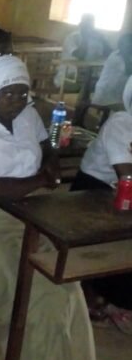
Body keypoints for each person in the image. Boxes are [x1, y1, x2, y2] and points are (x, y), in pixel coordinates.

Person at [0, 55, 96, 360]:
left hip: (31, 216)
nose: (17, 101)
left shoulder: (28, 118)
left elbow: (46, 146)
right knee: (24, 293)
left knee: (66, 284)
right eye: (9, 94)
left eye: (23, 93)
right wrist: (41, 180)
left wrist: (50, 163)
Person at [70, 75, 132, 329]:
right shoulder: (121, 124)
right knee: (116, 238)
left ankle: (113, 294)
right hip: (93, 190)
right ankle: (101, 293)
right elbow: (126, 176)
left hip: (119, 191)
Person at [54, 14, 110, 95]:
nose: (89, 27)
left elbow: (109, 54)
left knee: (106, 83)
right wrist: (85, 37)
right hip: (69, 77)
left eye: (91, 24)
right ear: (80, 25)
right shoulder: (72, 38)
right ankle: (83, 101)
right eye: (86, 25)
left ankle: (86, 101)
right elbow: (80, 55)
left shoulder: (96, 40)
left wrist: (103, 40)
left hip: (89, 76)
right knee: (89, 84)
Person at [92, 33, 132, 107]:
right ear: (120, 45)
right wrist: (126, 55)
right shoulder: (116, 56)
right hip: (106, 97)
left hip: (117, 96)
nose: (129, 48)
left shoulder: (128, 57)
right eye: (127, 45)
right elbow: (129, 71)